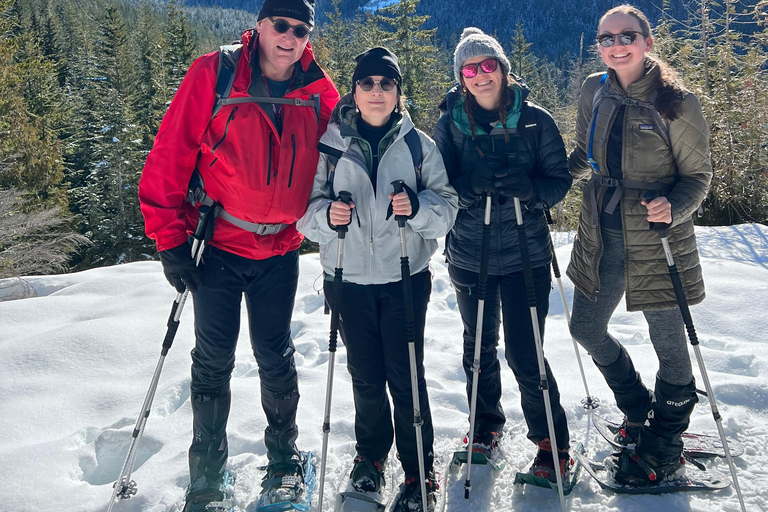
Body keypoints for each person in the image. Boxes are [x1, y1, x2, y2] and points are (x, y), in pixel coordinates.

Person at [137, 0, 340, 509]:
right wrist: (169, 241)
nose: (289, 37)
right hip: (217, 247)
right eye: (280, 25)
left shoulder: (318, 91)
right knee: (212, 361)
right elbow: (171, 153)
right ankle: (206, 477)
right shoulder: (216, 73)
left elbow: (347, 160)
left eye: (300, 29)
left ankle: (284, 460)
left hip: (280, 248)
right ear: (260, 25)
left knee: (275, 355)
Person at [297, 47, 457, 511]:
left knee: (407, 377)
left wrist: (419, 208)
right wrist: (329, 215)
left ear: (398, 93)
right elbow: (304, 216)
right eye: (367, 83)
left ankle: (417, 466)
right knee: (364, 377)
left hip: (405, 278)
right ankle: (371, 457)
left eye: (386, 84)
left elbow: (447, 208)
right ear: (354, 90)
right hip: (346, 278)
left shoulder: (418, 145)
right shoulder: (330, 146)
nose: (376, 91)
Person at [567, 4, 712, 486]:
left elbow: (698, 177)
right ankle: (637, 407)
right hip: (602, 232)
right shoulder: (595, 88)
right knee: (586, 327)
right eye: (606, 38)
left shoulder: (677, 102)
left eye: (626, 35)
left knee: (669, 345)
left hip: (657, 238)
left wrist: (674, 206)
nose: (616, 45)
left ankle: (665, 444)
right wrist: (546, 181)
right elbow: (584, 155)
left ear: (647, 42)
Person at [432, 28, 573, 482]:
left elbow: (559, 181)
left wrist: (531, 191)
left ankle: (553, 443)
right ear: (460, 77)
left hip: (525, 254)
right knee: (477, 346)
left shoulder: (536, 120)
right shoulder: (449, 122)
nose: (480, 75)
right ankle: (485, 427)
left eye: (487, 65)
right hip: (470, 253)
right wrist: (467, 190)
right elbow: (438, 186)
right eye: (469, 69)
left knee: (526, 351)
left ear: (503, 67)